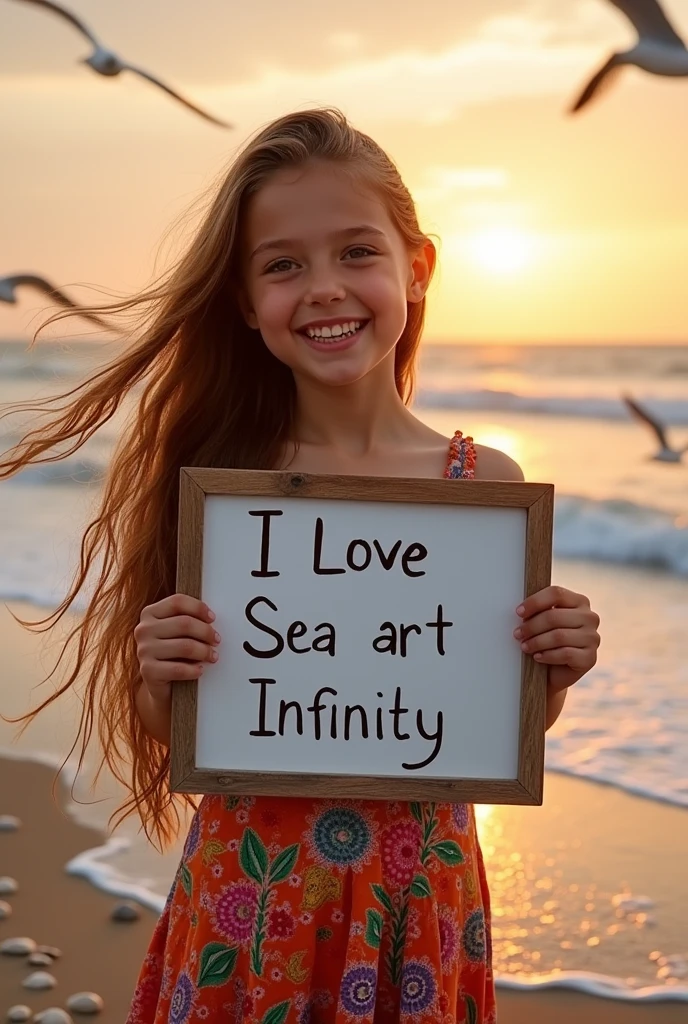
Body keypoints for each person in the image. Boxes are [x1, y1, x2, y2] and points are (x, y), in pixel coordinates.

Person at [1, 109, 600, 1024]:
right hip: (256, 893)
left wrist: (551, 670)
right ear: (247, 302)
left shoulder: (482, 489)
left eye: (357, 252)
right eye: (283, 264)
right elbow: (170, 724)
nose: (324, 288)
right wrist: (158, 666)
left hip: (418, 896)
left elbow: (491, 721)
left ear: (418, 267)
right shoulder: (228, 494)